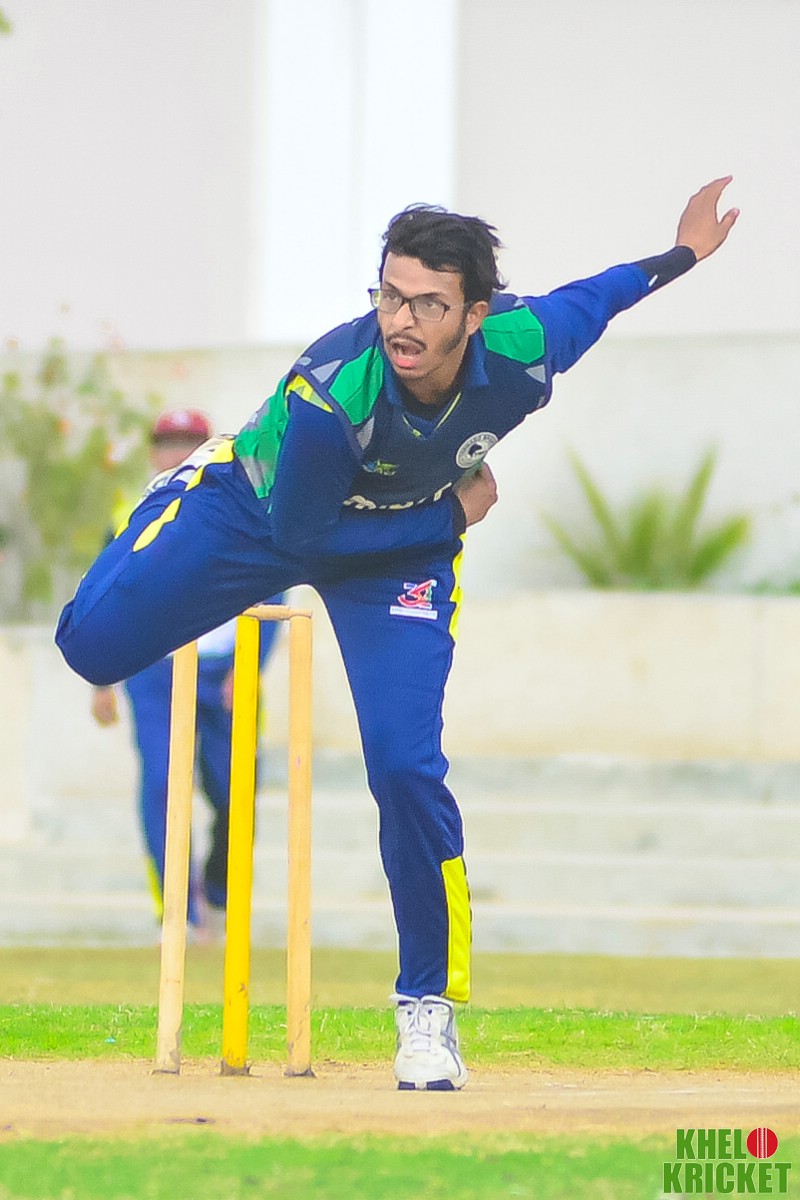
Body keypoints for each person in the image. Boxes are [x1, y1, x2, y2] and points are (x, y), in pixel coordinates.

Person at [56, 177, 738, 1089]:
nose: (401, 321)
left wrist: (683, 253)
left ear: (476, 315)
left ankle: (428, 1008)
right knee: (89, 648)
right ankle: (187, 480)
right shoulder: (332, 392)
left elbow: (602, 295)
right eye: (389, 294)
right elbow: (307, 543)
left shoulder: (526, 346)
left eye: (427, 303)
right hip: (261, 515)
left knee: (406, 767)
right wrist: (448, 516)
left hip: (396, 561)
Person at [90, 409, 279, 938]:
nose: (177, 452)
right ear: (153, 452)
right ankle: (178, 913)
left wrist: (248, 666)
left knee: (234, 790)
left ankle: (218, 894)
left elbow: (275, 587)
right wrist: (101, 680)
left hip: (225, 669)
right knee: (161, 785)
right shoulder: (130, 511)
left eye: (188, 442)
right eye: (168, 443)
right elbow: (104, 594)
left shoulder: (243, 502)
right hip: (155, 668)